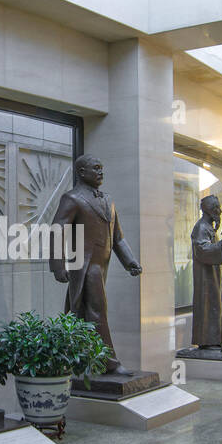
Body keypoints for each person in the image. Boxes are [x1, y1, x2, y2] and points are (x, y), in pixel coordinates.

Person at [49, 154, 142, 375]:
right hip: (85, 264)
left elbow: (118, 237)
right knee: (96, 310)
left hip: (102, 266)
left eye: (102, 168)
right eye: (96, 168)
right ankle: (109, 363)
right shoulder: (72, 198)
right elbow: (57, 230)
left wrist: (130, 261)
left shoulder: (108, 200)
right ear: (81, 172)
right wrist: (58, 265)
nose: (101, 172)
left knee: (79, 311)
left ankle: (78, 359)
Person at [190, 195, 222, 349]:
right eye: (217, 208)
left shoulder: (209, 227)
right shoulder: (201, 227)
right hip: (205, 277)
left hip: (214, 274)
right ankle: (208, 340)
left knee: (217, 303)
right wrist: (220, 244)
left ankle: (219, 338)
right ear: (209, 210)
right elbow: (201, 249)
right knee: (209, 304)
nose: (220, 211)